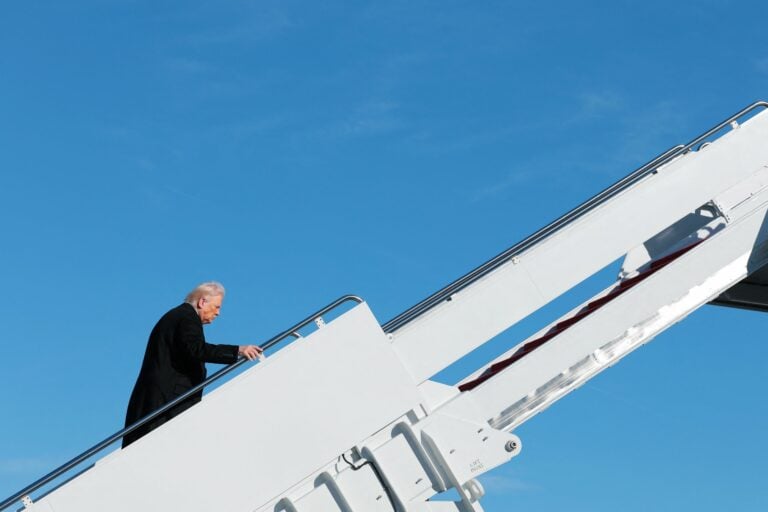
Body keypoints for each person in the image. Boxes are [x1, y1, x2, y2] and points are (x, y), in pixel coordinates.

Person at [122, 282, 261, 447]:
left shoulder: (176, 316)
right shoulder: (187, 317)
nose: (218, 313)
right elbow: (197, 349)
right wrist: (238, 350)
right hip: (167, 404)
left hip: (155, 401)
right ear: (202, 302)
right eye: (216, 307)